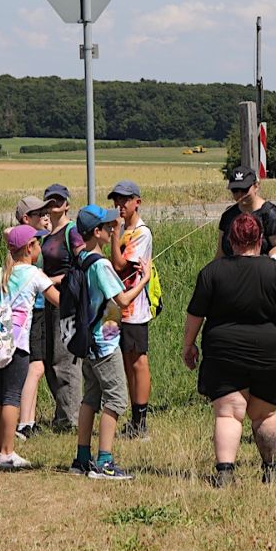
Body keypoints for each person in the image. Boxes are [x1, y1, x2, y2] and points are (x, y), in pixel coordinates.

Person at [183, 213, 276, 487]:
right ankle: (271, 471)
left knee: (228, 413)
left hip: (223, 351)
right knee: (265, 414)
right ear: (260, 239)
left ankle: (225, 473)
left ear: (230, 240)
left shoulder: (212, 272)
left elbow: (195, 315)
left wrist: (188, 345)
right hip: (269, 352)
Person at [69, 204, 147, 481]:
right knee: (116, 399)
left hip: (88, 341)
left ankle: (82, 458)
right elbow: (122, 300)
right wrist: (144, 279)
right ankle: (104, 462)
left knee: (90, 398)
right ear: (96, 232)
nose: (113, 228)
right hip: (105, 343)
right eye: (107, 226)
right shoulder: (100, 265)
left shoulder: (82, 258)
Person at [0, 225, 61, 470]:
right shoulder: (34, 274)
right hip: (17, 344)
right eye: (37, 244)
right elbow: (58, 301)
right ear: (29, 248)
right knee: (12, 397)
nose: (40, 248)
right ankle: (7, 453)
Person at [108, 179, 154, 440]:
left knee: (138, 361)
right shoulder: (124, 230)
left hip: (134, 308)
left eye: (125, 199)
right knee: (126, 361)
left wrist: (114, 234)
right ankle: (134, 418)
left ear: (137, 202)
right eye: (116, 199)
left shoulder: (141, 233)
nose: (120, 204)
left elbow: (119, 265)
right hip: (118, 308)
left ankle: (141, 421)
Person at [37, 183, 84, 433]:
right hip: (49, 301)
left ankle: (70, 418)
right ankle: (62, 413)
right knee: (50, 360)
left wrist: (50, 280)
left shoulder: (72, 232)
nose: (54, 204)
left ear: (67, 204)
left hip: (66, 301)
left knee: (65, 361)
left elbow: (81, 266)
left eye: (59, 200)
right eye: (50, 200)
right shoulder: (46, 236)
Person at [13, 195, 54, 439]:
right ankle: (23, 424)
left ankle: (29, 420)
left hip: (35, 311)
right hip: (32, 312)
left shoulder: (28, 242)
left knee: (36, 366)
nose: (44, 217)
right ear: (26, 219)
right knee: (36, 367)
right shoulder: (24, 246)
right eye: (39, 214)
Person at [218, 169, 276, 259]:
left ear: (256, 186)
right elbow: (220, 254)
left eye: (245, 189)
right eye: (235, 190)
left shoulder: (269, 214)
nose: (240, 194)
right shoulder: (228, 215)